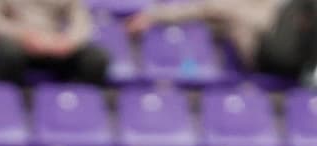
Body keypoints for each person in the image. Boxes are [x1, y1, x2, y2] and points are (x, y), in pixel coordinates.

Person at [127, 0, 317, 84]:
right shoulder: (228, 4)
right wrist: (153, 16)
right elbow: (195, 9)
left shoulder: (279, 5)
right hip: (265, 54)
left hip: (295, 54)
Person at [0, 0, 111, 85]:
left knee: (96, 59)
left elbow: (82, 22)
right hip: (18, 43)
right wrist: (23, 35)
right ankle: (10, 105)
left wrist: (68, 41)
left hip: (55, 44)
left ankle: (73, 103)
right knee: (7, 53)